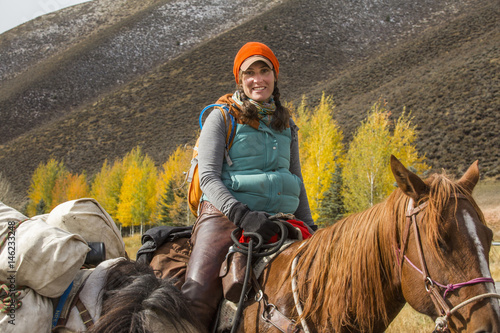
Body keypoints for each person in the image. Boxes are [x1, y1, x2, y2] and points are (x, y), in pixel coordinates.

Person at [180, 41, 316, 332]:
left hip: (282, 219)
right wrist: (241, 214)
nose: (258, 79)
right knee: (195, 299)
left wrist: (310, 227)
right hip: (225, 217)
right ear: (240, 80)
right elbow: (208, 179)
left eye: (264, 70)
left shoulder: (287, 125)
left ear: (274, 76)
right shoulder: (222, 117)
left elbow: (296, 180)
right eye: (249, 73)